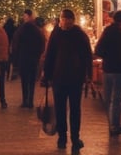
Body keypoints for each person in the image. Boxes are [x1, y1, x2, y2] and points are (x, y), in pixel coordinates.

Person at [42, 9, 92, 154]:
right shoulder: (57, 33)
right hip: (59, 78)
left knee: (75, 109)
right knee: (61, 109)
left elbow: (87, 56)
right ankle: (63, 137)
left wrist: (88, 74)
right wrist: (46, 75)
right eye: (64, 20)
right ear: (61, 20)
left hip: (75, 78)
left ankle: (75, 138)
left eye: (68, 21)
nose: (65, 23)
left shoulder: (79, 34)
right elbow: (50, 55)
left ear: (72, 21)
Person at [94, 9, 121, 136]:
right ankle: (115, 125)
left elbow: (98, 49)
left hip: (108, 68)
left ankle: (111, 124)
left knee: (109, 98)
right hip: (120, 69)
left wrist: (107, 56)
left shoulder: (108, 31)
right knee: (117, 99)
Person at [11, 9, 46, 108]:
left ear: (29, 16)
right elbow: (42, 43)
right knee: (31, 80)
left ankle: (25, 100)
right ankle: (30, 100)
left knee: (24, 81)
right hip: (33, 59)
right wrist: (38, 54)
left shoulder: (21, 30)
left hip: (23, 58)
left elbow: (15, 44)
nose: (24, 18)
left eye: (25, 16)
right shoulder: (37, 30)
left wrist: (16, 57)